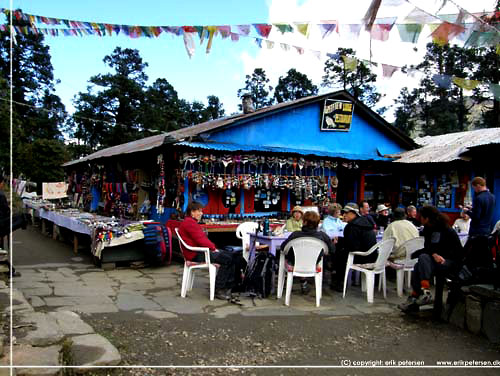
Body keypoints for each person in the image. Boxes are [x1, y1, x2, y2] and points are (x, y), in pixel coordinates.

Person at [398, 206, 463, 313]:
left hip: (449, 260)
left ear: (427, 218)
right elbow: (428, 247)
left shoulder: (445, 229)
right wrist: (434, 254)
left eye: (421, 217)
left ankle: (417, 297)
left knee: (420, 262)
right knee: (420, 262)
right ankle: (423, 293)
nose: (419, 219)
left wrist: (439, 256)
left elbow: (456, 252)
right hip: (434, 259)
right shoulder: (428, 229)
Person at [178, 201, 243, 300]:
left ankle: (232, 286)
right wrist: (214, 248)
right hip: (196, 254)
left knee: (234, 255)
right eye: (199, 211)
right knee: (227, 259)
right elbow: (202, 240)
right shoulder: (190, 223)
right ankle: (220, 289)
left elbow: (201, 239)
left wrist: (213, 248)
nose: (201, 213)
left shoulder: (189, 222)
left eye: (201, 211)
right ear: (192, 212)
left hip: (198, 251)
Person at [281, 211, 335, 294]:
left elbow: (283, 248)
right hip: (314, 264)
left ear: (304, 222)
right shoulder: (322, 236)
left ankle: (291, 283)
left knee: (288, 257)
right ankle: (309, 283)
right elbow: (332, 249)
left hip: (295, 264)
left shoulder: (295, 235)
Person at [331, 203, 377, 292]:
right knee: (341, 249)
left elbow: (353, 246)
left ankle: (340, 283)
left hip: (362, 257)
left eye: (346, 213)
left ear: (353, 213)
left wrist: (339, 243)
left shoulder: (352, 226)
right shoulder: (365, 222)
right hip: (372, 256)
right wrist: (341, 240)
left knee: (339, 255)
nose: (343, 215)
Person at [462, 177, 496, 272]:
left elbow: (477, 217)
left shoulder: (478, 198)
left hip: (476, 230)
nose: (475, 190)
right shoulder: (492, 197)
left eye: (474, 188)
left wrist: (467, 211)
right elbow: (485, 212)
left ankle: (468, 273)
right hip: (487, 229)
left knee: (469, 253)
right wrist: (472, 208)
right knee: (484, 253)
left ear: (478, 186)